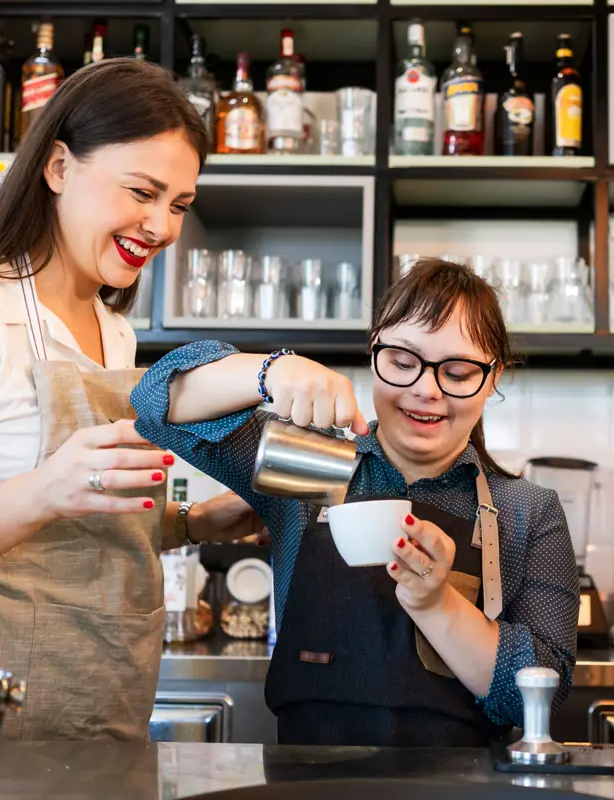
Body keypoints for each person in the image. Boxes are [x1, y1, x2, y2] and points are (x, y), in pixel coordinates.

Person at [0, 59, 258, 741]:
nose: (162, 226)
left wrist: (192, 523)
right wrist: (45, 488)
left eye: (179, 205)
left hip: (104, 720)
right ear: (57, 168)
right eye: (141, 190)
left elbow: (78, 532)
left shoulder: (115, 333)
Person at [131, 258, 579, 747]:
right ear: (373, 354)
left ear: (493, 379)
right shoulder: (304, 463)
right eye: (403, 362)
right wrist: (270, 371)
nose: (426, 390)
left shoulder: (526, 511)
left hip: (462, 787)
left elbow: (542, 693)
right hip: (304, 782)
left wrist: (437, 604)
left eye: (457, 371)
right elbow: (153, 404)